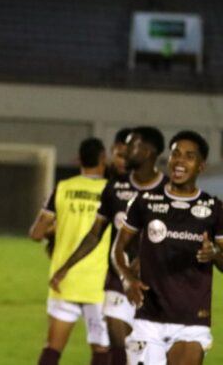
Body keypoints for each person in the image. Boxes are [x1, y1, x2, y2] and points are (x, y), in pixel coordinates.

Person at [49, 126, 166, 364]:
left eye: (131, 146)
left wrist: (143, 262)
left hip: (155, 284)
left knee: (146, 354)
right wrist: (65, 267)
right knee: (117, 342)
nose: (123, 152)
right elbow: (94, 235)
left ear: (149, 152)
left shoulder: (168, 190)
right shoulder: (114, 187)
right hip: (118, 279)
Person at [112, 130, 223, 365]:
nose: (180, 161)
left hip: (192, 322)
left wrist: (215, 255)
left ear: (201, 166)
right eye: (176, 154)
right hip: (149, 319)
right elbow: (118, 247)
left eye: (189, 156)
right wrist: (127, 279)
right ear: (169, 159)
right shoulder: (144, 202)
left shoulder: (214, 209)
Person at [29, 138, 110, 365]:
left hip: (63, 281)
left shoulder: (63, 188)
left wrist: (59, 231)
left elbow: (36, 233)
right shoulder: (110, 191)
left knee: (52, 348)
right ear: (103, 159)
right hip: (98, 284)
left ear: (79, 160)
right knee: (102, 351)